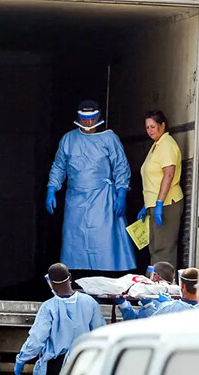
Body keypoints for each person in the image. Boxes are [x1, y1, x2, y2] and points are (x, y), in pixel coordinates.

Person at [46, 99, 136, 272]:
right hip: (75, 200)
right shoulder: (68, 139)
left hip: (102, 199)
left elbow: (120, 167)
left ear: (99, 116)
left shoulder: (109, 138)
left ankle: (106, 278)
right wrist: (52, 189)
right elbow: (59, 166)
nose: (88, 122)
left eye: (92, 118)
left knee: (103, 244)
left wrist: (122, 192)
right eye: (84, 118)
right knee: (75, 245)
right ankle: (77, 280)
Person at [13, 263, 106, 375]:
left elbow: (36, 340)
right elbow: (101, 334)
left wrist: (22, 359)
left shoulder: (49, 307)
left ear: (51, 283)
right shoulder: (89, 303)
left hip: (55, 368)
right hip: (84, 364)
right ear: (70, 278)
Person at [136, 110, 184, 269]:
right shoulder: (156, 146)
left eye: (153, 127)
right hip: (155, 204)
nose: (150, 131)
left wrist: (159, 203)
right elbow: (152, 179)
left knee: (163, 249)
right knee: (155, 247)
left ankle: (163, 286)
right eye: (147, 127)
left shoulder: (166, 144)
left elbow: (168, 175)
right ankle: (156, 284)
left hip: (167, 204)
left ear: (163, 126)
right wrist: (147, 205)